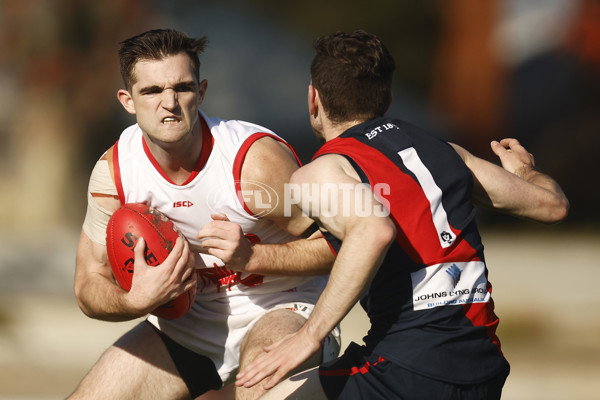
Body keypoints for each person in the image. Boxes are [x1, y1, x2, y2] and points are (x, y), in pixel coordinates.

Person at [234, 30, 569, 399]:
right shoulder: (445, 151)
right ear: (388, 100)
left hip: (406, 369)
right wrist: (524, 171)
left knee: (267, 396)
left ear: (313, 99)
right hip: (483, 367)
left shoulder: (322, 170)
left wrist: (307, 336)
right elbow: (552, 205)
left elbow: (373, 232)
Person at [69, 29, 341, 400]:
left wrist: (254, 256)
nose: (169, 102)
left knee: (261, 392)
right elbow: (88, 287)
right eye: (151, 91)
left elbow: (339, 247)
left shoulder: (254, 163)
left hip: (282, 307)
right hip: (187, 326)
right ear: (127, 100)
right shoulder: (115, 172)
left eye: (181, 87)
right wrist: (136, 301)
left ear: (202, 91)